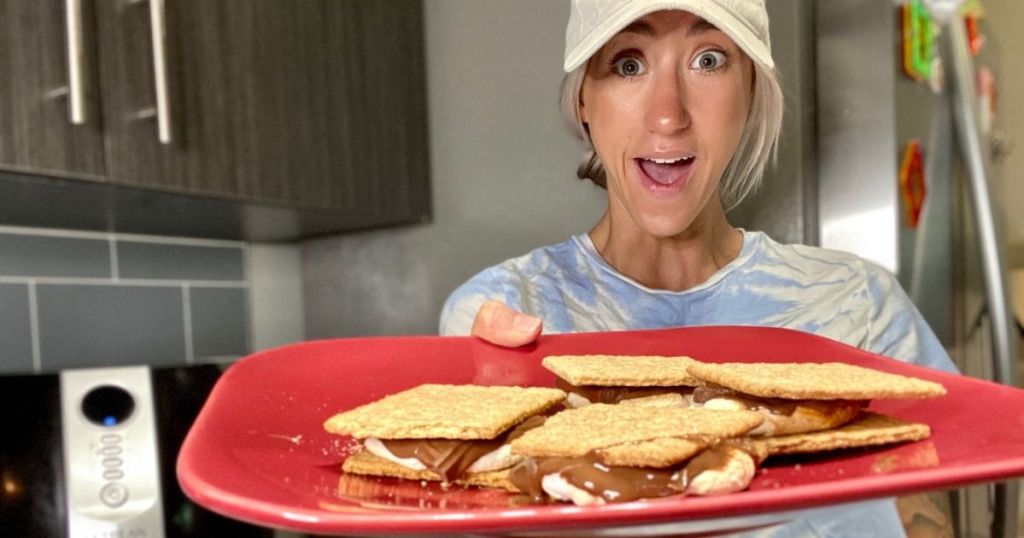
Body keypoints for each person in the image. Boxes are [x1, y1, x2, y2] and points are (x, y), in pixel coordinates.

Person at [441, 0, 957, 536]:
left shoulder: (859, 304)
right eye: (628, 64)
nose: (668, 115)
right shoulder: (512, 314)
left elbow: (926, 516)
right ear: (584, 100)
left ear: (750, 90)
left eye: (708, 60)